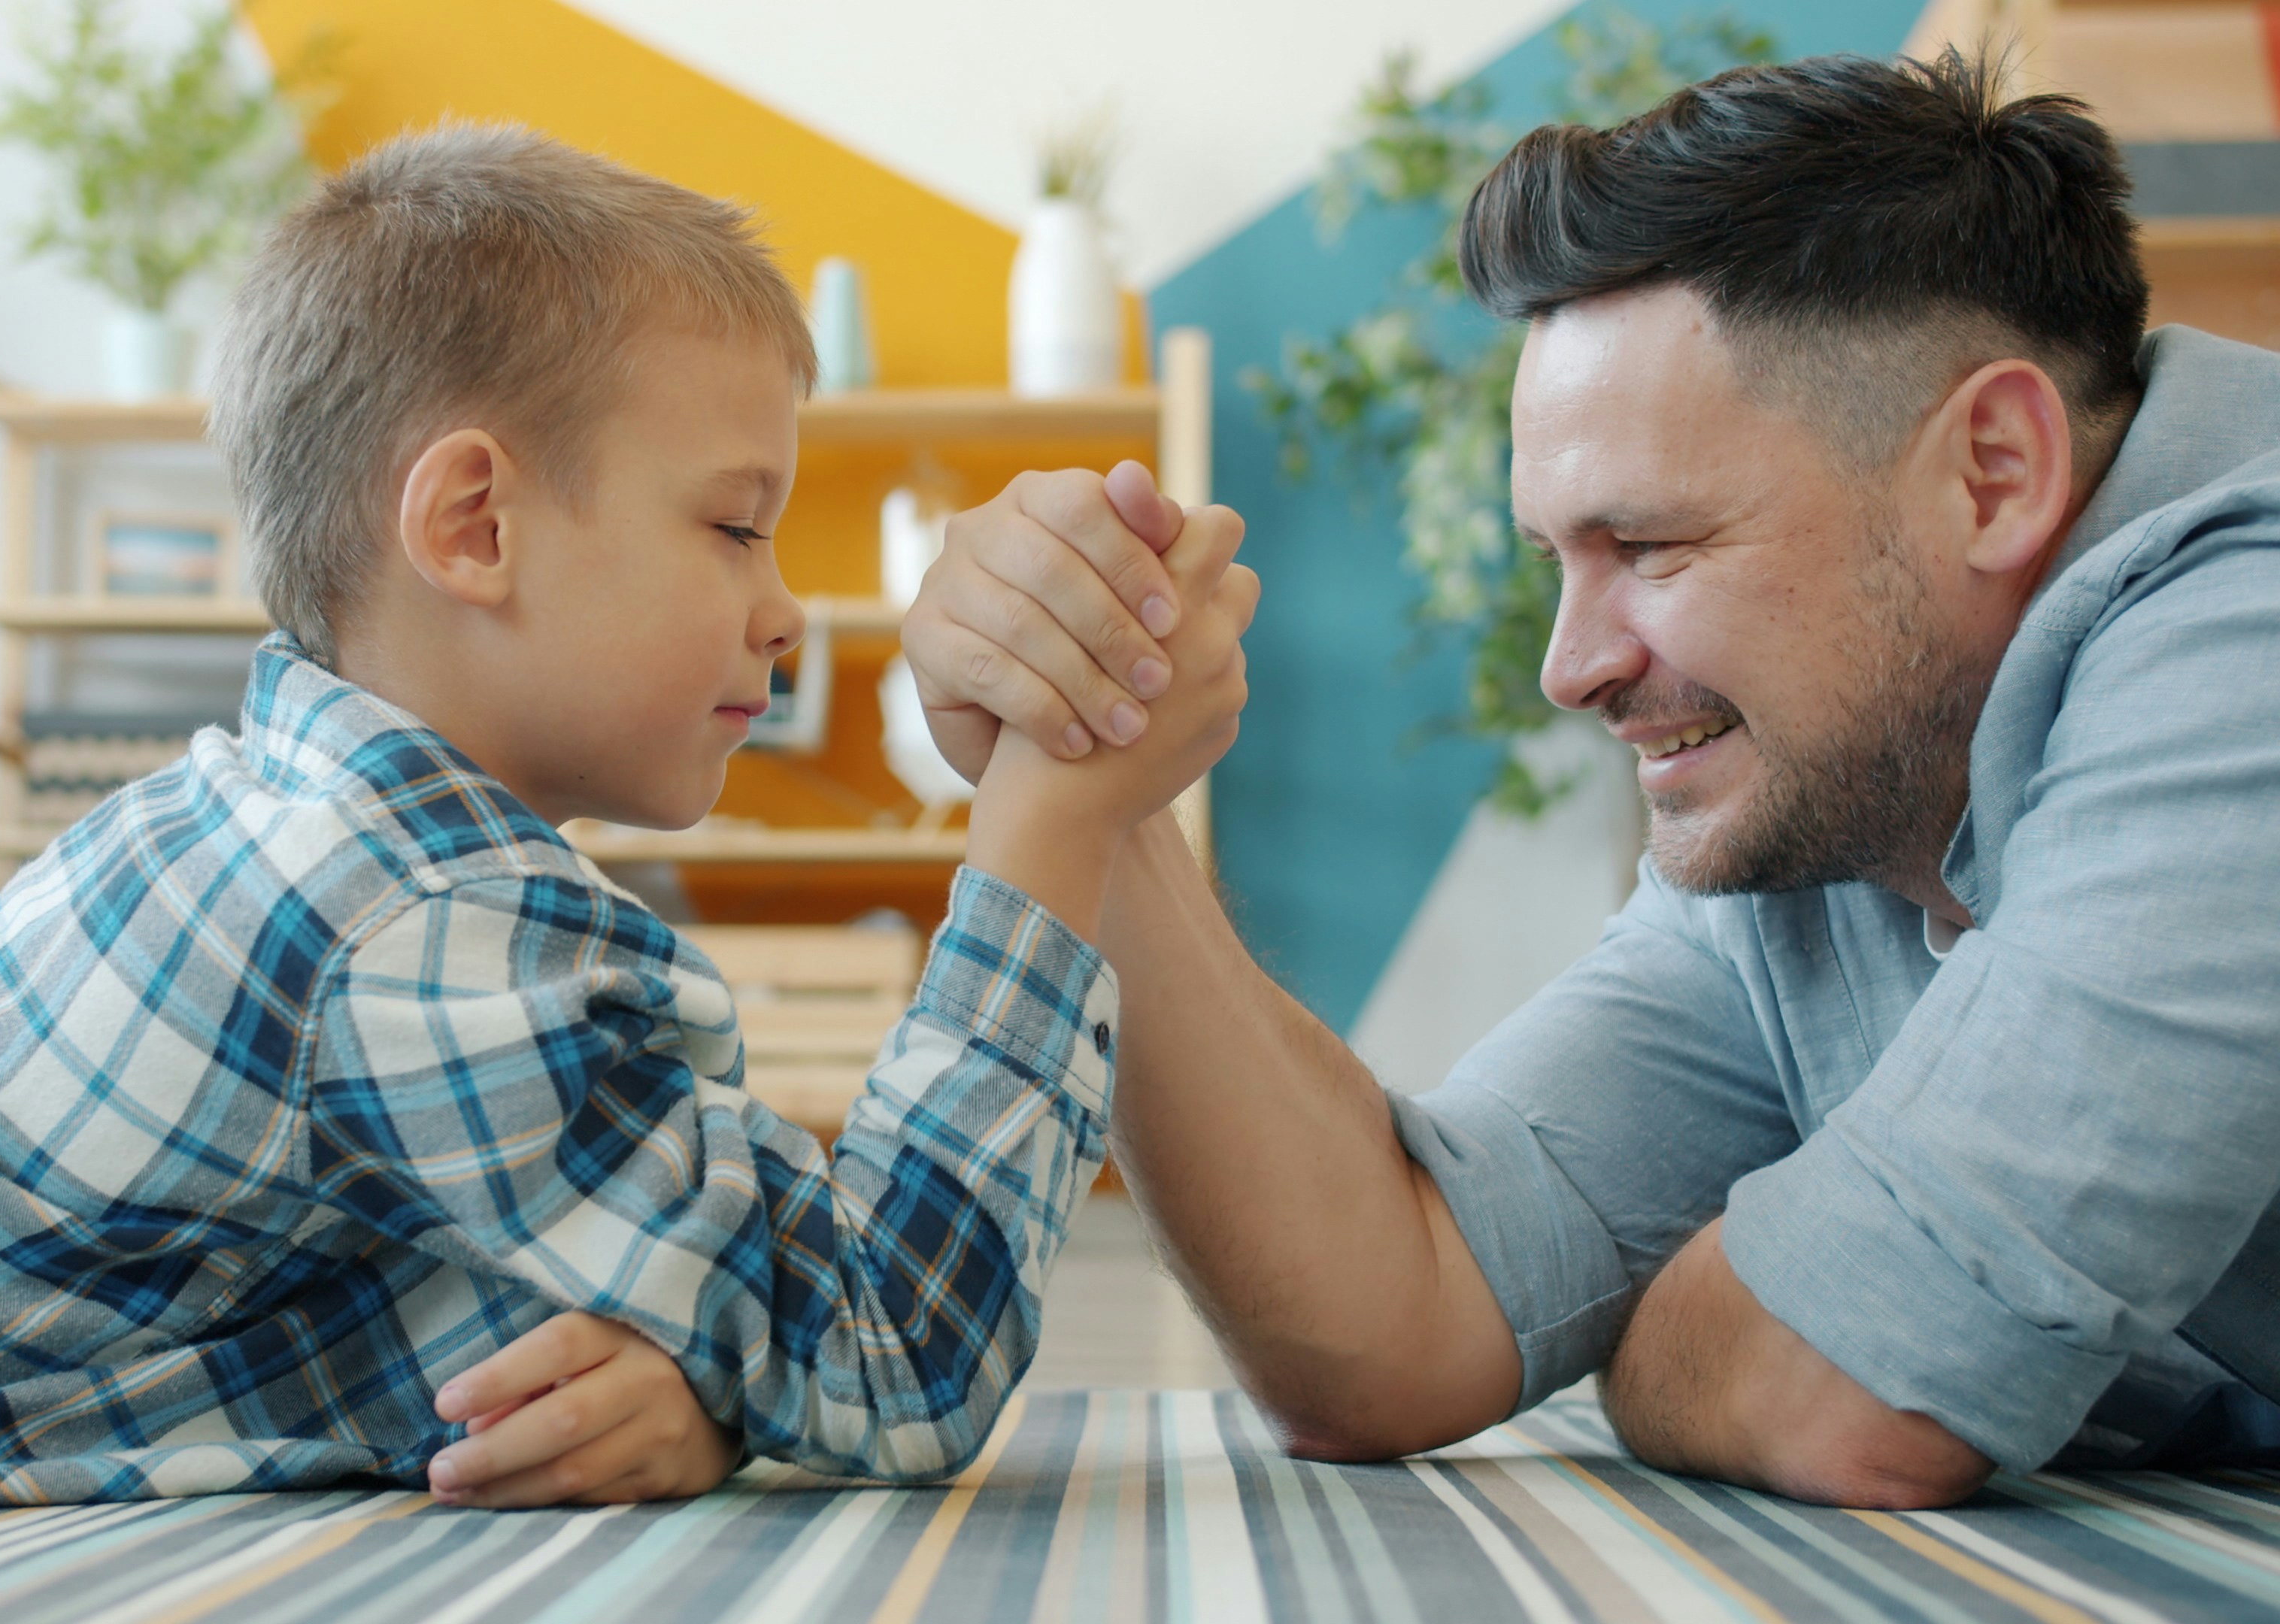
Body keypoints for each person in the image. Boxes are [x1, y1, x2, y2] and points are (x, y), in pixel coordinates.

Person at [0, 125, 1257, 1519]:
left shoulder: (307, 821)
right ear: (473, 527)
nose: (789, 610)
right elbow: (891, 1350)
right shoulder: (419, 925)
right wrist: (1056, 812)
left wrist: (695, 1375)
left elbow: (299, 1306)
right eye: (736, 522)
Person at [895, 52, 2280, 1509]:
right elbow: (1392, 1327)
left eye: (1658, 547)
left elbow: (1839, 1395)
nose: (1571, 669)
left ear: (1994, 473)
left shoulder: (2242, 633)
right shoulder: (1834, 795)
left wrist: (1696, 1331)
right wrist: (1082, 766)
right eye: (1559, 559)